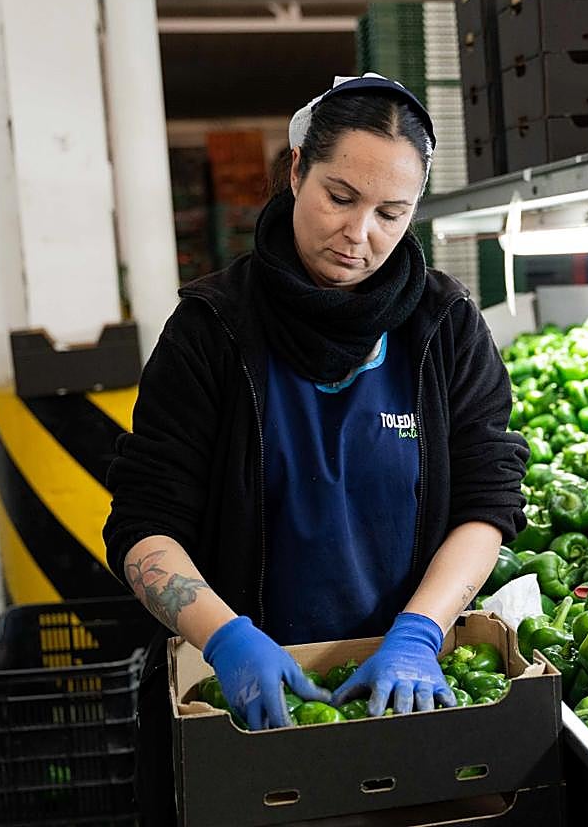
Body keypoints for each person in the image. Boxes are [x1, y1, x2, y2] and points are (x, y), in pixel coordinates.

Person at [103, 73, 527, 824]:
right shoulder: (212, 329)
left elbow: (488, 500)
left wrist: (420, 633)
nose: (359, 234)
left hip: (402, 701)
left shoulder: (445, 326)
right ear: (296, 169)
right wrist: (226, 639)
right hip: (239, 713)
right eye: (340, 196)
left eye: (391, 212)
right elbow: (143, 524)